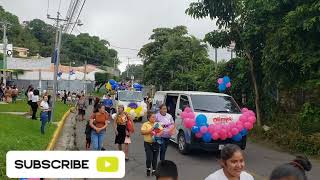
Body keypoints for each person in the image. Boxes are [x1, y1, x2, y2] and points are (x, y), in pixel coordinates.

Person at [141, 111, 160, 176]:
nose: (154, 118)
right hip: (148, 143)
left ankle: (154, 170)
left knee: (155, 158)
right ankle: (148, 168)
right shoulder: (145, 124)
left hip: (156, 143)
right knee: (149, 158)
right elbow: (143, 132)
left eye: (155, 117)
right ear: (149, 118)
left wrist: (158, 134)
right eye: (153, 117)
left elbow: (161, 131)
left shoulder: (157, 124)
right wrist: (151, 130)